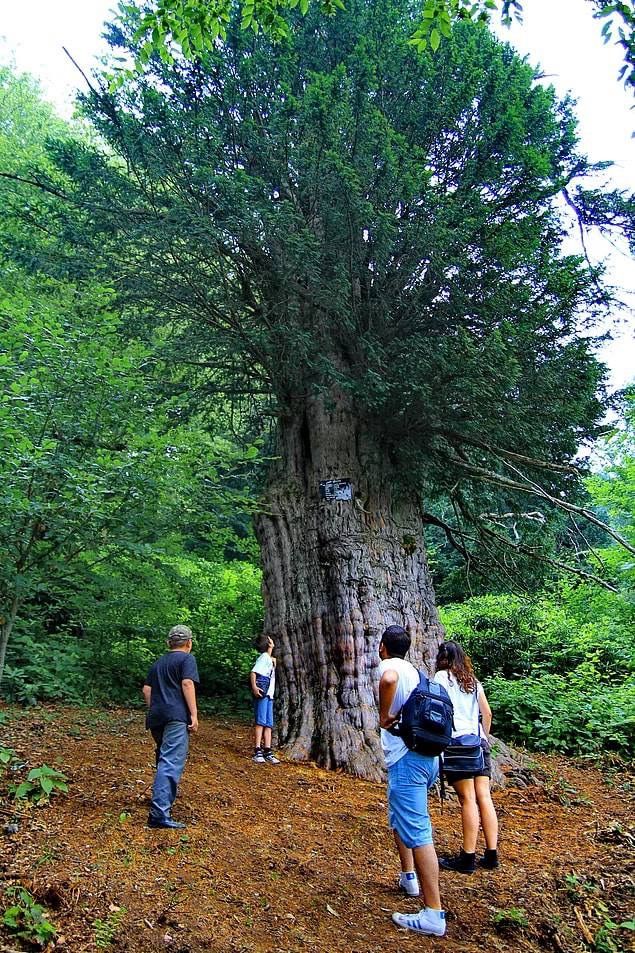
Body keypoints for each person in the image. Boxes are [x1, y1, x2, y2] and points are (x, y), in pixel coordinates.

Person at [378, 625, 446, 938]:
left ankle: (433, 913)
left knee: (418, 831)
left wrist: (382, 716)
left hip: (409, 761)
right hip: (428, 759)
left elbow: (388, 680)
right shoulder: (416, 671)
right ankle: (409, 877)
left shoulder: (390, 667)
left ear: (382, 647)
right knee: (401, 820)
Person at [433, 640, 499, 873]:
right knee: (484, 797)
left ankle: (468, 858)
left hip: (457, 744)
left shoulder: (441, 679)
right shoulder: (473, 681)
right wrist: (483, 738)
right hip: (478, 744)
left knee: (468, 800)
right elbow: (487, 713)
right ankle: (491, 855)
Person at [142, 624, 199, 829]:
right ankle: (159, 814)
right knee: (170, 761)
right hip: (176, 716)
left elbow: (147, 690)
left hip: (157, 716)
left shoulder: (158, 663)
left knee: (163, 757)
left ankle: (160, 801)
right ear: (189, 643)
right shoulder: (187, 659)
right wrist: (193, 713)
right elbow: (187, 684)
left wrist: (157, 708)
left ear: (169, 643)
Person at [250, 634, 280, 765]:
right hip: (263, 694)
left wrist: (273, 657)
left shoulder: (268, 658)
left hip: (269, 695)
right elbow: (253, 672)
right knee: (261, 722)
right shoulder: (264, 657)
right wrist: (255, 687)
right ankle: (257, 750)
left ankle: (267, 750)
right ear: (268, 643)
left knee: (268, 724)